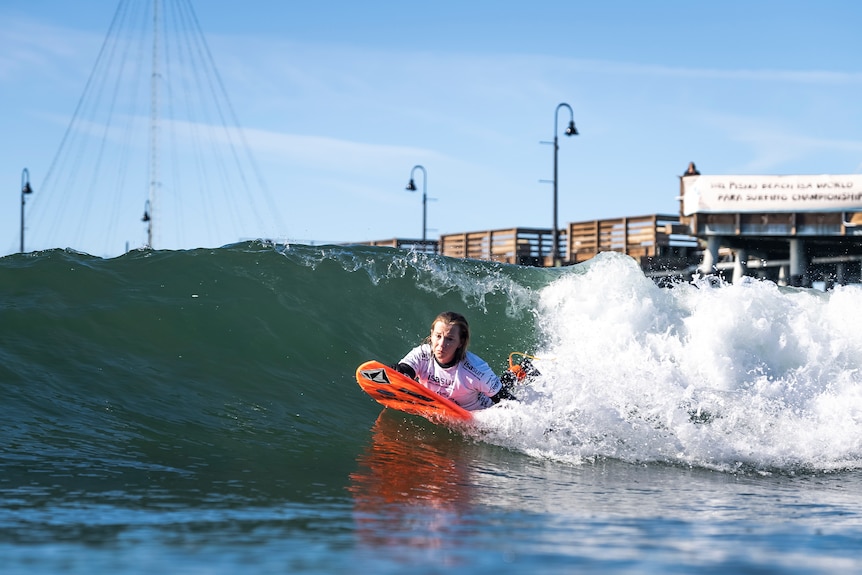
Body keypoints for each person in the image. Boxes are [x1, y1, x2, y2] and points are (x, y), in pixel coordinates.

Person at [393, 311, 518, 411]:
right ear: (431, 335)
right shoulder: (422, 354)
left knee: (504, 385)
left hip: (480, 410)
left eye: (449, 339)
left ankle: (519, 371)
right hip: (440, 406)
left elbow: (510, 403)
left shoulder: (476, 370)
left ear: (460, 342)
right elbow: (404, 371)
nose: (441, 345)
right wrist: (397, 371)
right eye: (438, 336)